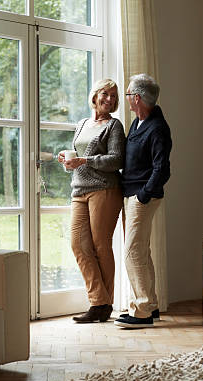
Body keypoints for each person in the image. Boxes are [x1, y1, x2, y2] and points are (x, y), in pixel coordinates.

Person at [58, 78, 126, 323]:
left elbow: (117, 160)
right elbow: (79, 157)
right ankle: (100, 300)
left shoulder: (114, 126)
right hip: (79, 190)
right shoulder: (83, 124)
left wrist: (85, 161)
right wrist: (68, 160)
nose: (110, 100)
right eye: (106, 94)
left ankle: (101, 306)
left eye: (114, 97)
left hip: (105, 190)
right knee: (78, 244)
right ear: (95, 95)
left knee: (100, 246)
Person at [114, 73, 172, 329]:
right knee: (141, 251)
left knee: (131, 252)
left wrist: (143, 195)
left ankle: (141, 311)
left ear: (136, 98)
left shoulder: (157, 127)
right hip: (132, 194)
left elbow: (163, 169)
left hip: (142, 196)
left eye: (128, 94)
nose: (126, 98)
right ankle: (152, 305)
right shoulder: (137, 123)